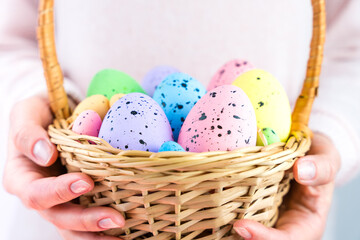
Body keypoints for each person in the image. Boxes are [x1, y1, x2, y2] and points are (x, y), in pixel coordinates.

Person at [0, 0, 359, 239]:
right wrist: (34, 100)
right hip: (72, 200)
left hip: (268, 198)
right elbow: (9, 36)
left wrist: (332, 132)